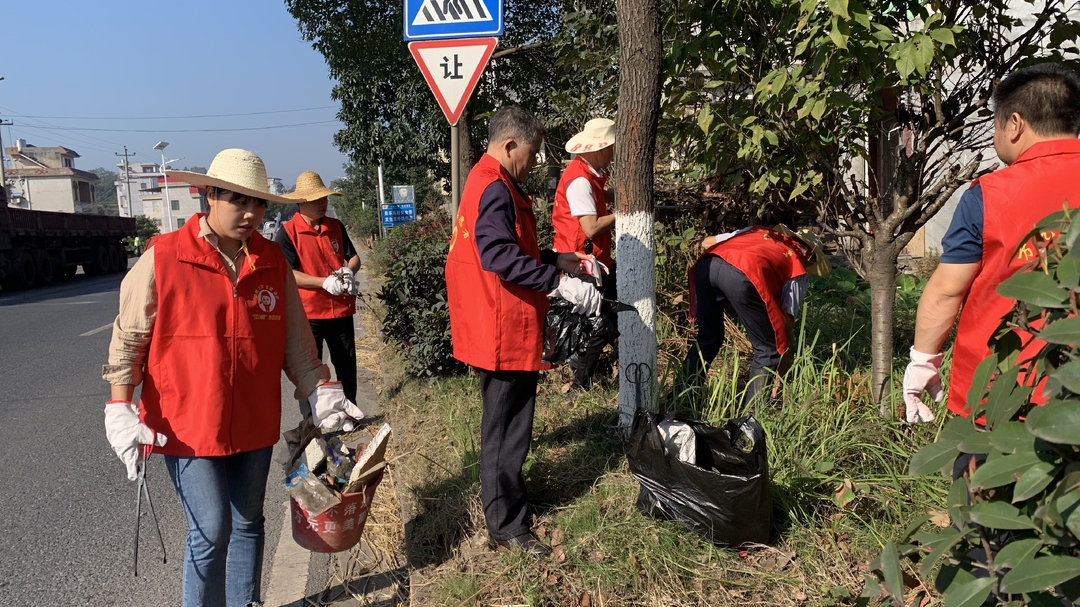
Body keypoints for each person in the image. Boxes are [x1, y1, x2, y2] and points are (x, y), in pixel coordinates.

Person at [102, 148, 363, 607]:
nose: (250, 213)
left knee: (248, 522)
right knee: (210, 529)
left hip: (253, 419)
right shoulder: (164, 258)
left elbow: (297, 347)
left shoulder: (270, 263)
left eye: (258, 203)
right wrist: (120, 406)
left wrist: (322, 391)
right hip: (184, 424)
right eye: (238, 201)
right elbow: (129, 339)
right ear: (209, 197)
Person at [445, 106, 587, 557]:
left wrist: (550, 259)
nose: (532, 164)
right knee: (507, 431)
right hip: (502, 327)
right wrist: (559, 283)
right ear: (510, 146)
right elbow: (498, 256)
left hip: (497, 322)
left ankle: (506, 507)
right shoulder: (495, 187)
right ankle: (507, 525)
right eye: (531, 154)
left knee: (504, 427)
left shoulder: (487, 181)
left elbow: (510, 247)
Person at [904, 63, 1080, 424]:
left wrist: (923, 361)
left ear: (1014, 124)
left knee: (987, 478)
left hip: (1005, 389)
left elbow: (946, 291)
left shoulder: (990, 195)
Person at [683, 225, 829, 406]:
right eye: (812, 262)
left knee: (709, 338)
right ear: (809, 255)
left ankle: (681, 398)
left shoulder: (758, 232)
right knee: (768, 349)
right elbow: (786, 324)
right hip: (742, 275)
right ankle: (751, 420)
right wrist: (780, 377)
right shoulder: (797, 264)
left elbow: (707, 242)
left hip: (707, 266)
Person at [274, 171, 362, 415]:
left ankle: (349, 411)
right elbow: (288, 273)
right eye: (317, 199)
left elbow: (353, 257)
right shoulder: (288, 233)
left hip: (341, 310)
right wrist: (323, 282)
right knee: (310, 369)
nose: (323, 203)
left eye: (324, 198)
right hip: (308, 314)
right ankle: (313, 418)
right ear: (301, 202)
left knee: (346, 364)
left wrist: (347, 272)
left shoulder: (335, 226)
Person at [551, 118, 618, 390]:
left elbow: (596, 200)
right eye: (611, 148)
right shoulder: (580, 180)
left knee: (608, 320)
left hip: (593, 262)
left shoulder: (586, 175)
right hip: (583, 263)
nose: (613, 153)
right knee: (601, 323)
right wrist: (624, 215)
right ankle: (581, 384)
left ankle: (585, 382)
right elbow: (590, 227)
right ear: (600, 149)